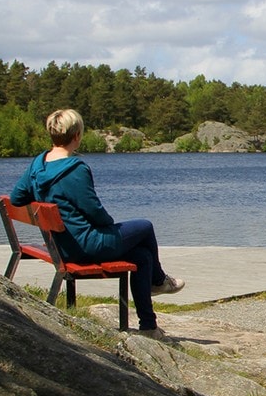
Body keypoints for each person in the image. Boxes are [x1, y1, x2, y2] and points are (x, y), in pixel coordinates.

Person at [11, 109, 183, 331]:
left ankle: (149, 327)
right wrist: (109, 224)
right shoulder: (75, 168)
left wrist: (45, 196)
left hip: (63, 246)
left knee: (142, 256)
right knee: (145, 226)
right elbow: (94, 211)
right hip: (87, 246)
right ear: (77, 136)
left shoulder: (38, 164)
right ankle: (159, 281)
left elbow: (16, 198)